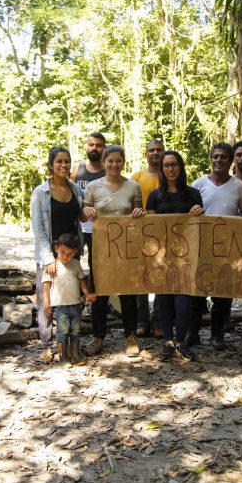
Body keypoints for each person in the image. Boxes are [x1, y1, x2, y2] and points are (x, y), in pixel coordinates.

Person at [82, 145, 146, 358]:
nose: (114, 164)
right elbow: (83, 214)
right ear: (103, 163)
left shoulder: (133, 186)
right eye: (110, 161)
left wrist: (139, 212)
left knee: (128, 294)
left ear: (123, 163)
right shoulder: (93, 187)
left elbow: (139, 214)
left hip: (126, 248)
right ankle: (98, 337)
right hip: (100, 248)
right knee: (100, 294)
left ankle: (130, 336)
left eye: (118, 160)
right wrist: (87, 209)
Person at [30, 146, 87, 363]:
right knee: (47, 299)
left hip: (71, 253)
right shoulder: (40, 192)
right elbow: (38, 227)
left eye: (67, 161)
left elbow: (82, 215)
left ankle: (70, 346)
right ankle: (47, 345)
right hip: (50, 254)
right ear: (51, 165)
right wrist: (48, 258)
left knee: (69, 298)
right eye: (59, 161)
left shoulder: (76, 189)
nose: (64, 165)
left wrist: (89, 211)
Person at [146, 150, 204, 362]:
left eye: (174, 164)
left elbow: (200, 224)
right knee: (164, 300)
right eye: (166, 165)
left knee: (184, 301)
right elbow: (150, 227)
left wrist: (200, 212)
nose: (170, 169)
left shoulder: (193, 194)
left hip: (187, 256)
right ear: (162, 170)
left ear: (180, 167)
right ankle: (168, 342)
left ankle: (181, 342)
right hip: (161, 256)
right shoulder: (154, 196)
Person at [191, 142, 242, 350]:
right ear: (211, 159)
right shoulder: (198, 184)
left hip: (227, 249)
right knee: (197, 292)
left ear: (230, 161)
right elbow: (189, 214)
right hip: (201, 247)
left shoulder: (239, 186)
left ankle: (217, 334)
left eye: (223, 157)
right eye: (215, 156)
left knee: (222, 294)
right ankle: (193, 333)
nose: (219, 160)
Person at [42, 234, 97, 366]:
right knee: (63, 332)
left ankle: (75, 354)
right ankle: (63, 357)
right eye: (62, 252)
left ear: (76, 252)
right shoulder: (51, 266)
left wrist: (87, 294)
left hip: (76, 305)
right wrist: (46, 304)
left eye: (70, 254)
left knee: (76, 331)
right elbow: (46, 286)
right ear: (56, 248)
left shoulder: (76, 264)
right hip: (61, 307)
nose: (65, 257)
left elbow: (82, 281)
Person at [131, 139, 165, 337]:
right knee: (141, 277)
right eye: (151, 150)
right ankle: (142, 320)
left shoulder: (170, 175)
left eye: (159, 150)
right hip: (140, 234)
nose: (155, 153)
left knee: (161, 276)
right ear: (146, 154)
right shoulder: (137, 177)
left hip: (165, 235)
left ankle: (159, 320)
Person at [71, 132, 107, 291]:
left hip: (99, 228)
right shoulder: (77, 168)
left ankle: (94, 299)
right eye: (91, 145)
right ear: (86, 147)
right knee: (72, 262)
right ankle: (73, 297)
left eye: (99, 145)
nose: (94, 148)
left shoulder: (108, 169)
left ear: (104, 148)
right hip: (78, 226)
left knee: (97, 267)